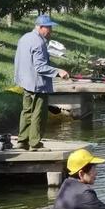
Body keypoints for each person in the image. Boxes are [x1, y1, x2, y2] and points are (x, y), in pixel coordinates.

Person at [14, 14, 69, 152]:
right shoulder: (39, 43)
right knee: (39, 113)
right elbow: (40, 67)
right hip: (37, 84)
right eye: (48, 27)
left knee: (26, 112)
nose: (51, 31)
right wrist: (58, 72)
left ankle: (22, 141)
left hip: (25, 82)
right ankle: (35, 144)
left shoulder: (25, 38)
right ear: (40, 27)